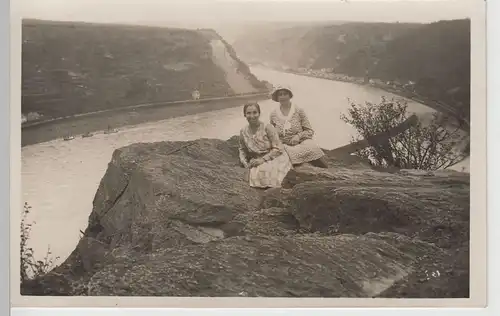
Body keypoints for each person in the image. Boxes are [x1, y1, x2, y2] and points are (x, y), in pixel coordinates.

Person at [269, 85, 328, 168]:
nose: (282, 97)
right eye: (280, 94)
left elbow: (309, 131)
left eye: (285, 94)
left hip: (301, 143)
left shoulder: (299, 111)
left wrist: (298, 136)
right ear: (277, 97)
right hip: (284, 146)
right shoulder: (273, 114)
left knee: (311, 147)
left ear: (289, 96)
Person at [238, 102, 293, 188]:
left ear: (259, 113)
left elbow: (278, 148)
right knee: (255, 172)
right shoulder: (243, 131)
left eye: (255, 112)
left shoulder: (267, 127)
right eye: (248, 113)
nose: (252, 116)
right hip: (257, 158)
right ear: (244, 115)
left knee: (268, 172)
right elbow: (242, 149)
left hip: (275, 156)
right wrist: (245, 162)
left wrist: (262, 160)